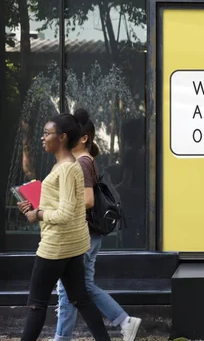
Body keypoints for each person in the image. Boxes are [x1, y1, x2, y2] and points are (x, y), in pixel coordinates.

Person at [17, 113, 111, 341]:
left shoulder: (68, 168)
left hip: (56, 246)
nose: (42, 137)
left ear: (62, 137)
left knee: (36, 305)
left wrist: (37, 214)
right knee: (81, 298)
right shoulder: (65, 165)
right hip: (71, 245)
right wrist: (36, 204)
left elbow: (66, 213)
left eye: (47, 133)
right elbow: (65, 204)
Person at [53, 109, 142, 341]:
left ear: (83, 138)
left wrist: (58, 206)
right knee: (84, 286)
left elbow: (89, 200)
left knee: (67, 290)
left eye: (69, 135)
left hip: (82, 234)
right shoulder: (86, 160)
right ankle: (125, 321)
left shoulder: (82, 163)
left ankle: (61, 338)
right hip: (89, 234)